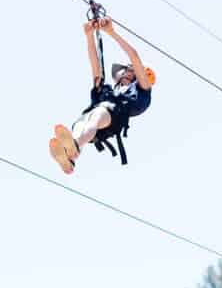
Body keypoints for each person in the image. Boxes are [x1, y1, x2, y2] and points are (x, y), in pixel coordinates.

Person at [49, 16, 153, 173]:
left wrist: (111, 33)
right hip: (98, 129)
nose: (126, 72)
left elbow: (134, 56)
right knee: (81, 122)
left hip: (113, 117)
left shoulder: (142, 90)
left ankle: (75, 146)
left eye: (130, 70)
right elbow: (95, 65)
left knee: (98, 113)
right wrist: (89, 35)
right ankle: (69, 157)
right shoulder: (108, 92)